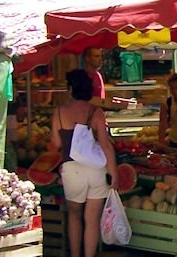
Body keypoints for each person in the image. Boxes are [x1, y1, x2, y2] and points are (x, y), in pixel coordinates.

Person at [51, 69, 118, 257]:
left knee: (74, 215)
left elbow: (56, 144)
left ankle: (74, 255)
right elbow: (105, 145)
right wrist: (114, 173)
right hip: (96, 169)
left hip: (72, 170)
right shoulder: (95, 112)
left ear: (70, 88)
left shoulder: (59, 112)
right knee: (92, 218)